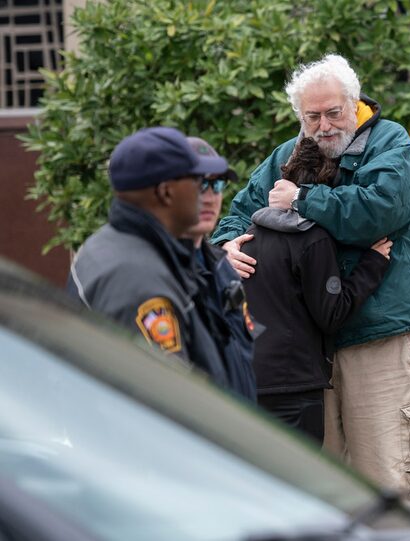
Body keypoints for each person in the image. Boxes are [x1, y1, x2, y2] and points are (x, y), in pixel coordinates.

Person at [212, 54, 410, 499]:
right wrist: (226, 249)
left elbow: (379, 211)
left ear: (355, 104)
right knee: (321, 491)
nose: (324, 125)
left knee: (390, 485)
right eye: (312, 116)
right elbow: (235, 215)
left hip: (379, 340)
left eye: (334, 112)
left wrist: (303, 200)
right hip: (309, 354)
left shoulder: (390, 144)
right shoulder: (285, 156)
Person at [241, 137, 392, 444]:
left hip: (249, 378)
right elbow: (332, 313)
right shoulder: (313, 238)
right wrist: (373, 264)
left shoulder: (250, 235)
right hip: (294, 386)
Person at [67, 126, 234, 393]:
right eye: (197, 181)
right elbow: (165, 400)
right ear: (166, 192)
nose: (207, 195)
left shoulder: (112, 244)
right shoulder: (137, 279)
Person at [180, 136, 258, 402]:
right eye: (200, 184)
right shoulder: (152, 266)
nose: (211, 196)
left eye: (217, 184)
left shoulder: (221, 266)